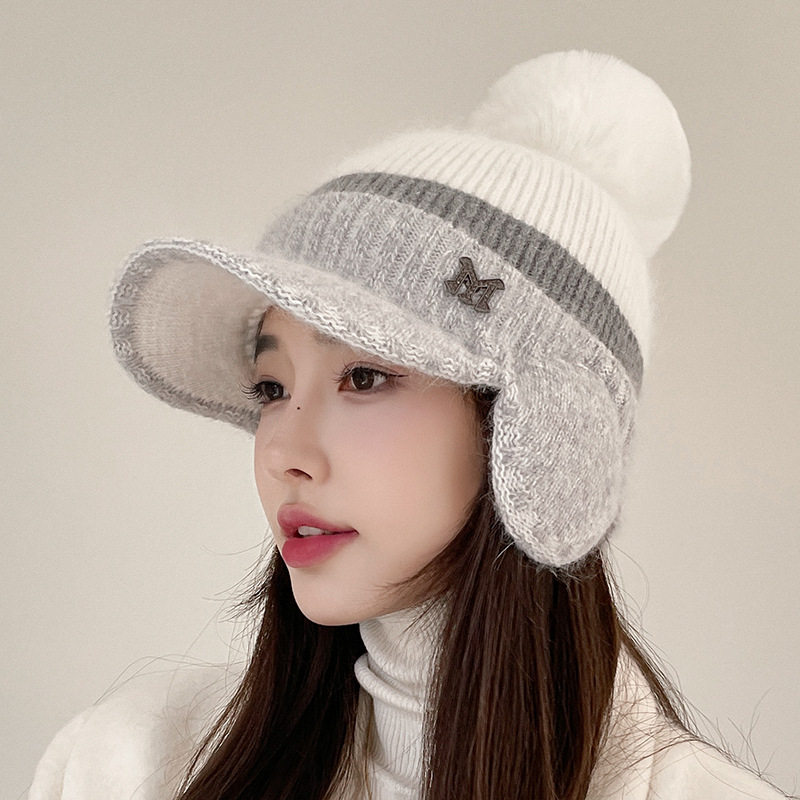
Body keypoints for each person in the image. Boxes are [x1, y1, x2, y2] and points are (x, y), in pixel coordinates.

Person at [28, 51, 790, 800]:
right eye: (272, 387)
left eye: (364, 376)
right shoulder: (126, 766)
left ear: (545, 437)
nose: (283, 452)